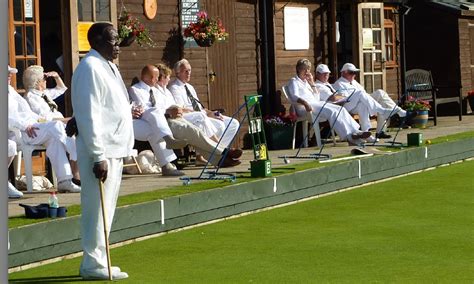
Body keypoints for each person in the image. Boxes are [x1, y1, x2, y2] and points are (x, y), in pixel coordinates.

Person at [71, 22, 132, 280]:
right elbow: (90, 112)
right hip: (101, 151)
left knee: (106, 207)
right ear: (95, 40)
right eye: (112, 40)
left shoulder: (107, 65)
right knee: (97, 208)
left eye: (117, 39)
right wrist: (98, 155)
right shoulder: (90, 67)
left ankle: (100, 258)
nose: (117, 44)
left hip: (114, 147)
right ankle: (93, 264)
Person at [7, 65, 81, 193]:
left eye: (10, 73)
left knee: (55, 141)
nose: (9, 75)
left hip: (32, 127)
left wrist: (36, 121)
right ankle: (76, 153)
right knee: (57, 126)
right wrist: (25, 125)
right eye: (7, 73)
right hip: (20, 131)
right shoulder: (29, 95)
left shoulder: (11, 91)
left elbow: (28, 113)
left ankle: (64, 181)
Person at [287, 59, 371, 146]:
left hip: (315, 104)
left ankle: (356, 132)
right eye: (304, 69)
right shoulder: (294, 81)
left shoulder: (306, 83)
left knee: (340, 109)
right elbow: (294, 96)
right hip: (304, 107)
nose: (306, 72)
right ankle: (349, 137)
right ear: (298, 69)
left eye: (308, 69)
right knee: (331, 111)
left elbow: (316, 97)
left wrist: (312, 83)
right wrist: (305, 103)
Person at [155, 63, 220, 165]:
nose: (169, 80)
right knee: (198, 124)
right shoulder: (160, 90)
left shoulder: (166, 91)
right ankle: (219, 150)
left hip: (180, 117)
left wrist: (210, 112)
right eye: (167, 77)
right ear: (162, 78)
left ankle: (218, 152)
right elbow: (161, 109)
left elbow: (179, 106)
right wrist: (178, 111)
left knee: (208, 126)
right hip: (172, 120)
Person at [168, 59, 240, 148]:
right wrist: (206, 114)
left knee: (233, 123)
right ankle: (219, 151)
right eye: (185, 71)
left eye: (189, 70)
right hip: (191, 118)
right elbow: (182, 109)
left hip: (202, 114)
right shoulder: (174, 88)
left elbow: (199, 106)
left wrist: (211, 112)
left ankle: (220, 152)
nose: (188, 73)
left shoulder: (190, 87)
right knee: (220, 125)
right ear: (177, 73)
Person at [128, 64, 185, 176]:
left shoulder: (156, 91)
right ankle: (169, 138)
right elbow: (143, 108)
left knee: (155, 131)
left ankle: (166, 165)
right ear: (146, 78)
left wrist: (172, 109)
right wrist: (163, 110)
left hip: (153, 122)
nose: (157, 80)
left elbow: (165, 105)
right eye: (155, 77)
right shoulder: (135, 89)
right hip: (136, 120)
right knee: (154, 111)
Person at [332, 63, 407, 139]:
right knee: (361, 95)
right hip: (348, 106)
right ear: (344, 72)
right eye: (351, 72)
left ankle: (380, 129)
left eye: (355, 73)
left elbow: (365, 94)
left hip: (360, 103)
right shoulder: (339, 83)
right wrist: (358, 96)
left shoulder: (354, 82)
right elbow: (342, 99)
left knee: (380, 93)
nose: (353, 75)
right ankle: (384, 111)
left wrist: (365, 99)